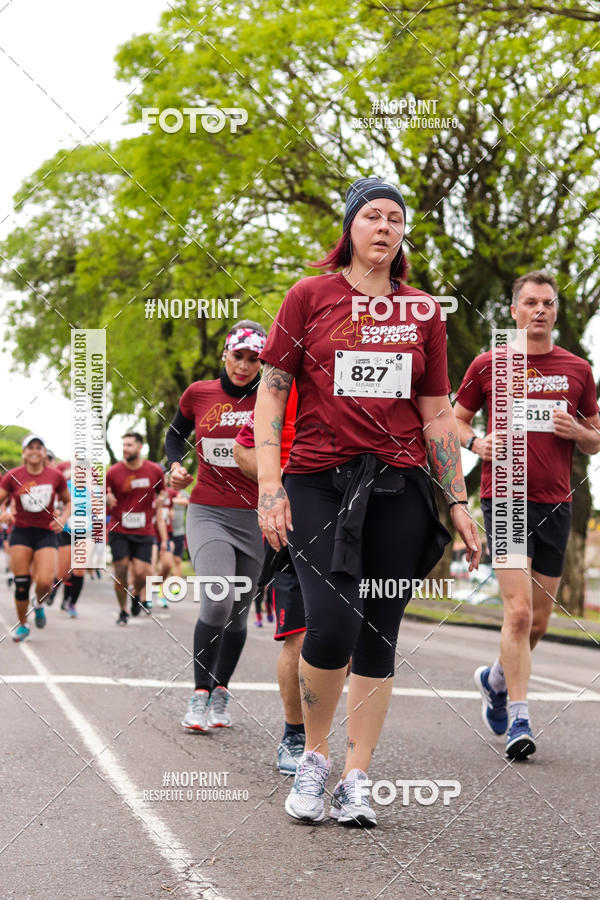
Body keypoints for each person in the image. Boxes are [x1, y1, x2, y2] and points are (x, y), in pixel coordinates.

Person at [254, 176, 481, 827]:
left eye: (395, 218)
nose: (384, 227)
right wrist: (270, 486)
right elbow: (273, 393)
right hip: (319, 481)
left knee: (380, 631)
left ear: (403, 234)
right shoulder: (309, 298)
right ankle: (316, 757)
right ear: (350, 228)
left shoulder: (423, 313)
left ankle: (358, 775)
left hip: (399, 487)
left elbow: (437, 415)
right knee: (330, 621)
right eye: (372, 216)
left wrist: (457, 499)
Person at [454, 270, 600, 759]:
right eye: (530, 303)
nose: (539, 310)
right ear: (514, 311)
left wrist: (577, 432)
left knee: (538, 623)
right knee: (516, 614)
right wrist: (477, 442)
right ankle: (520, 717)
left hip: (556, 502)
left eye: (548, 303)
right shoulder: (489, 364)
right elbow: (451, 419)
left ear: (556, 312)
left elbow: (597, 437)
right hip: (507, 497)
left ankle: (495, 680)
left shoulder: (577, 369)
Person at [166, 321, 267, 733]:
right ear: (225, 354)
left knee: (240, 615)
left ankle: (222, 689)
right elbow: (176, 434)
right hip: (207, 510)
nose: (243, 366)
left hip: (257, 516)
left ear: (262, 362)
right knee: (218, 601)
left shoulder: (273, 395)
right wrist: (174, 466)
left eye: (253, 359)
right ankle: (199, 693)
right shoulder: (199, 393)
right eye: (237, 355)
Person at [234, 381, 306, 773]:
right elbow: (242, 448)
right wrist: (277, 480)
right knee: (298, 635)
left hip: (353, 525)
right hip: (292, 526)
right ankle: (295, 734)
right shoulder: (283, 385)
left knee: (342, 644)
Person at [0, 435, 70, 641]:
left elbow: (68, 502)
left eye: (39, 447)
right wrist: (3, 514)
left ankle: (38, 605)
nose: (35, 451)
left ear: (43, 452)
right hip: (21, 532)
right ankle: (23, 625)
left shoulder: (55, 476)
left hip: (45, 533)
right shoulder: (12, 476)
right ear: (24, 452)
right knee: (22, 583)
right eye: (30, 447)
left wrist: (63, 519)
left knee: (45, 582)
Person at [106, 433, 168, 625]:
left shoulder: (154, 471)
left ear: (140, 447)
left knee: (142, 573)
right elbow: (103, 496)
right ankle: (123, 610)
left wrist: (162, 500)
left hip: (144, 529)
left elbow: (163, 493)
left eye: (130, 445)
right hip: (119, 528)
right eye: (123, 444)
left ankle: (134, 594)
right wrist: (106, 499)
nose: (125, 448)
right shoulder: (113, 472)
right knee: (121, 570)